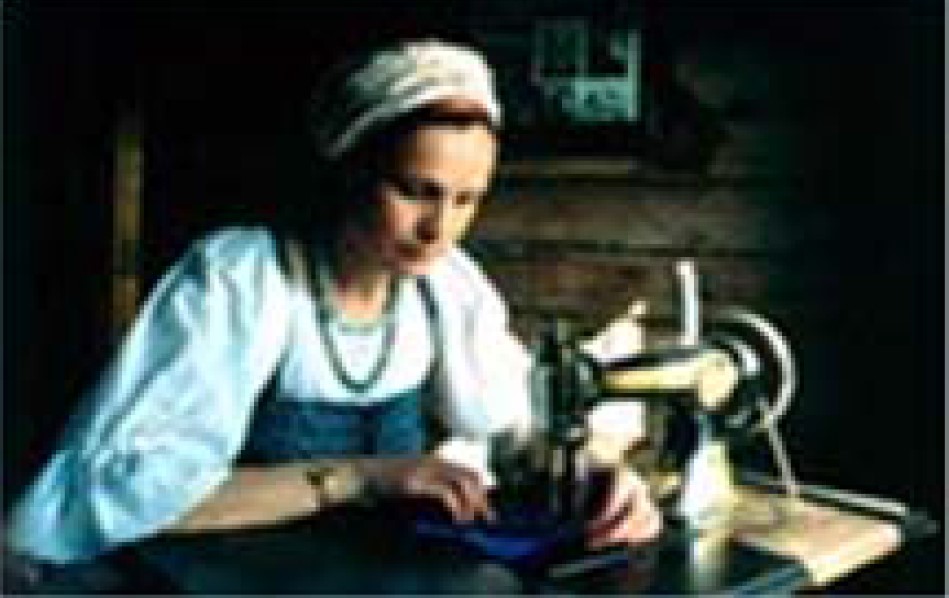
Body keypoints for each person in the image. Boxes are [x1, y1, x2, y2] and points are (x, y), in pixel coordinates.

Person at [5, 39, 662, 572]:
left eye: (466, 200)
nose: (439, 229)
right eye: (415, 191)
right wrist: (362, 478)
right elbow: (125, 491)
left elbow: (515, 431)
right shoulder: (244, 279)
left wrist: (602, 477)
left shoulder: (447, 287)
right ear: (350, 171)